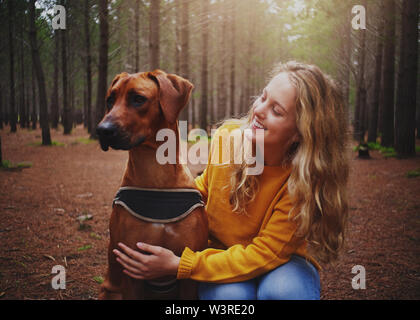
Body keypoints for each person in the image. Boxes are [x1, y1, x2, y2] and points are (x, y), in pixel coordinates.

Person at [112, 61, 350, 300]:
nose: (258, 110)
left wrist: (180, 265)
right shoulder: (228, 138)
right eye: (263, 97)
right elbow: (204, 189)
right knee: (230, 297)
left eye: (277, 110)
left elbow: (265, 253)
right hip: (218, 255)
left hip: (281, 263)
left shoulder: (302, 181)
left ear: (301, 131)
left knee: (284, 292)